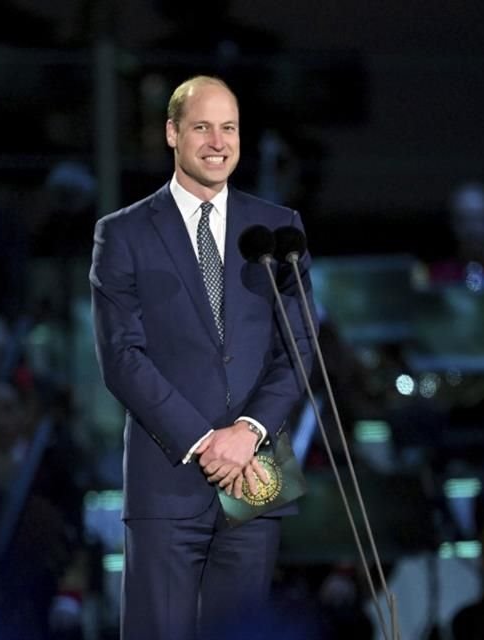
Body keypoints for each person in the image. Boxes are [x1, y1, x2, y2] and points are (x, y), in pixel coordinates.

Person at [89, 75, 315, 640]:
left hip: (257, 471)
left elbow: (299, 345)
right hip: (168, 479)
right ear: (172, 133)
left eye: (229, 128)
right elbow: (121, 357)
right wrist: (205, 440)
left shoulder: (278, 229)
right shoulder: (123, 234)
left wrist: (248, 431)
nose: (218, 142)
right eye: (202, 128)